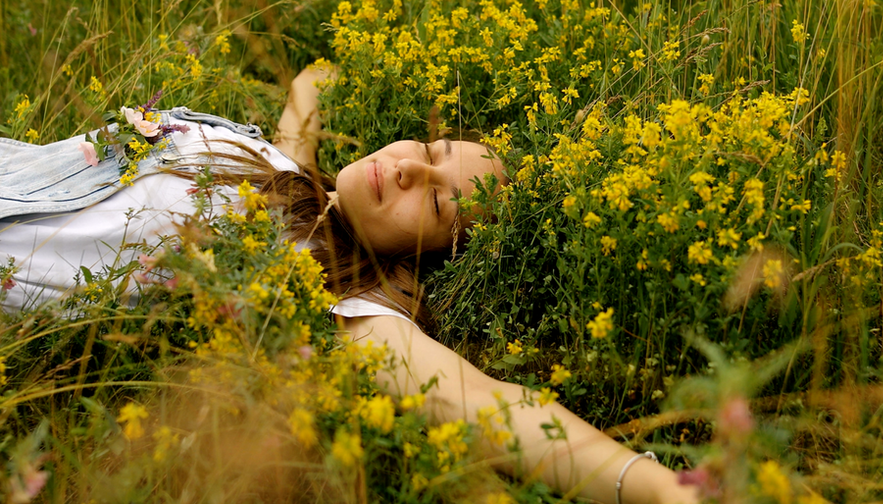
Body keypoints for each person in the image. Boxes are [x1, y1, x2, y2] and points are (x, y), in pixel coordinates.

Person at [0, 66, 700, 504]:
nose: (405, 168)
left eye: (432, 200)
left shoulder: (330, 297)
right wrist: (323, 77)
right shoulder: (288, 170)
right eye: (428, 151)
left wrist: (663, 490)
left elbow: (490, 404)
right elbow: (305, 99)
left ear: (417, 266)